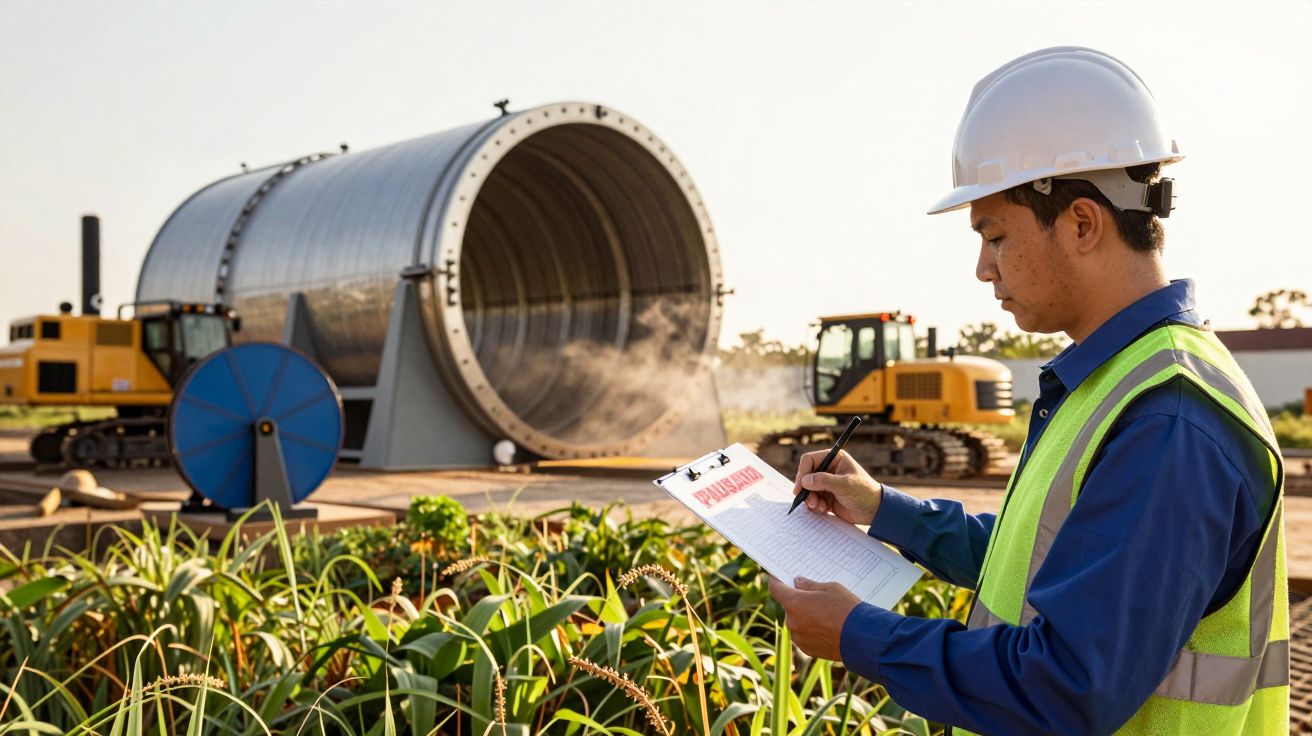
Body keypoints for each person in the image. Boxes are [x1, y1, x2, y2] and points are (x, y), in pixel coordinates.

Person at [767, 47, 1288, 735]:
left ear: (1080, 224)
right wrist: (882, 508)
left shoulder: (1169, 420)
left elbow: (1067, 684)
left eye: (995, 235)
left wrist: (859, 635)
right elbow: (1041, 555)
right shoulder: (1116, 381)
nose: (983, 268)